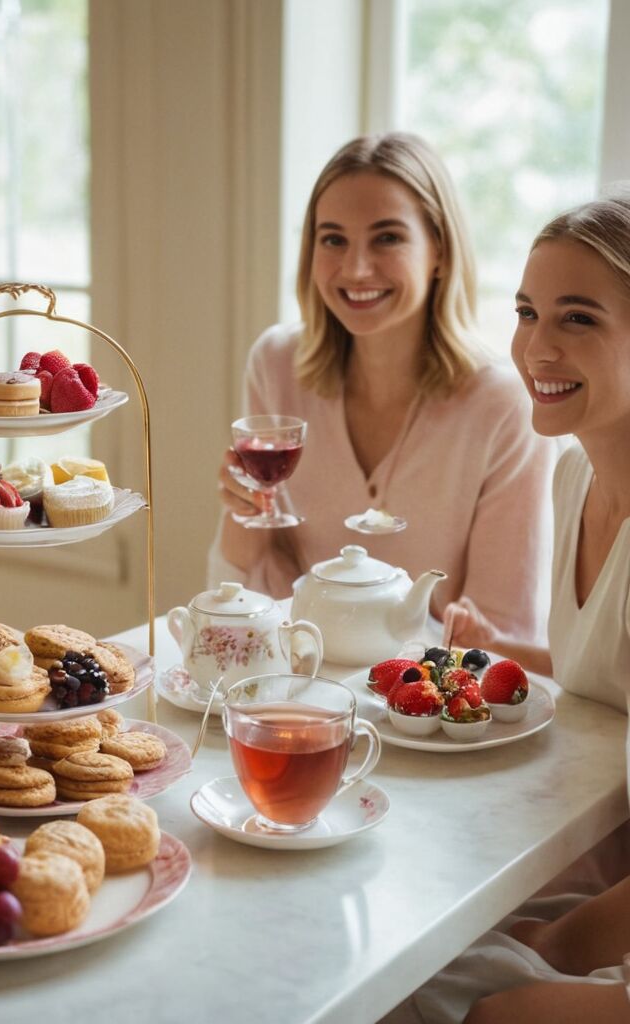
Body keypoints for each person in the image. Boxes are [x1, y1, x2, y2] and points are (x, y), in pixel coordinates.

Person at [399, 190, 630, 1023]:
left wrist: (553, 949)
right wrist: (509, 648)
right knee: (402, 958)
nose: (536, 346)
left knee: (449, 1000)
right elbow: (609, 667)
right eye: (528, 311)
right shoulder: (575, 476)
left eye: (578, 319)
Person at [212, 133, 554, 639]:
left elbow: (500, 632)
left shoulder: (503, 405)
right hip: (304, 683)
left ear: (439, 249)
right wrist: (241, 516)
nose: (355, 269)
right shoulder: (276, 364)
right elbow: (246, 596)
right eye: (333, 239)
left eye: (387, 237)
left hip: (432, 700)